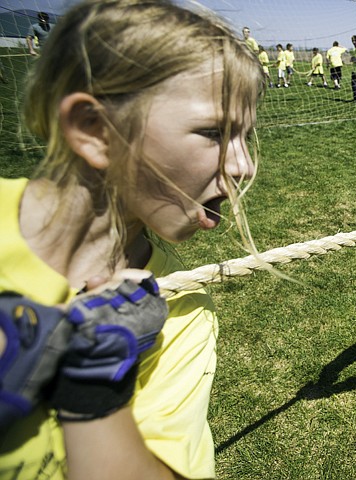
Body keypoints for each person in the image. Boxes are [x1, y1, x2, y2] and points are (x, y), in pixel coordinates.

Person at [0, 1, 263, 478]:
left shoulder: (178, 312)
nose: (243, 165)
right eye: (213, 132)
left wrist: (94, 386)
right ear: (95, 130)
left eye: (245, 137)